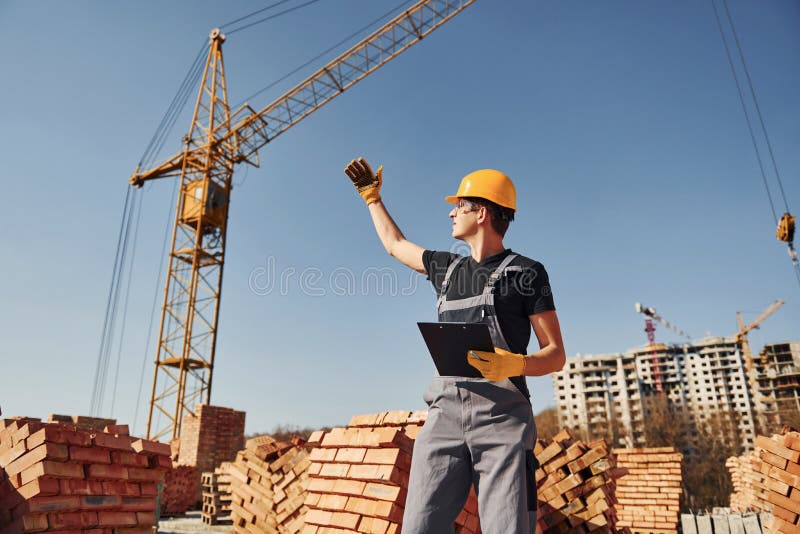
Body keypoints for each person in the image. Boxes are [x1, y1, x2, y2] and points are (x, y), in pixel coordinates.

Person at [344, 157, 566, 533]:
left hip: (502, 419)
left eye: (458, 206)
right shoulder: (447, 269)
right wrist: (371, 199)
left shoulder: (527, 272)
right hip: (444, 415)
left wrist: (514, 364)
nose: (451, 214)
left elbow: (556, 353)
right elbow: (395, 245)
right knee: (419, 527)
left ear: (481, 212)